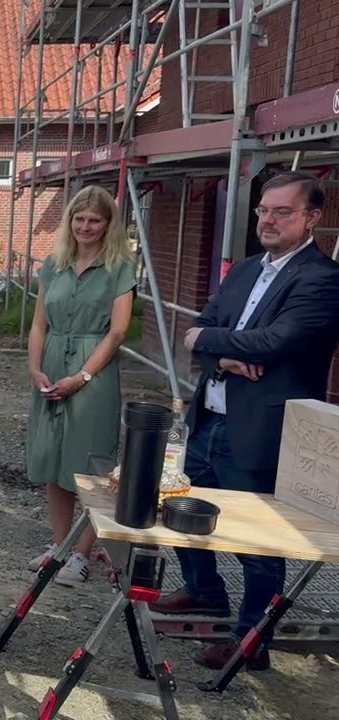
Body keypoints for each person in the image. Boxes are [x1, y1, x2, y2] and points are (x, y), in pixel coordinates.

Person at [151, 170, 339, 670]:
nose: (268, 220)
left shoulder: (322, 280)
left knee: (257, 540)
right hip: (208, 419)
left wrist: (210, 344)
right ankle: (203, 591)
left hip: (259, 432)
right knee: (180, 510)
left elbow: (276, 342)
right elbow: (199, 330)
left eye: (283, 211)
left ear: (312, 218)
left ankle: (251, 641)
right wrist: (224, 356)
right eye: (263, 210)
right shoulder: (244, 270)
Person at [25, 186, 136, 585]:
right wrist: (35, 367)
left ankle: (82, 552)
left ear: (108, 225)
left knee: (91, 464)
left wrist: (84, 375)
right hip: (54, 360)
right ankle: (59, 546)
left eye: (95, 220)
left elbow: (119, 330)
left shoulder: (119, 267)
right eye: (79, 219)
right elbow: (39, 324)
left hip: (95, 370)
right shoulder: (53, 264)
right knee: (54, 460)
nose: (86, 227)